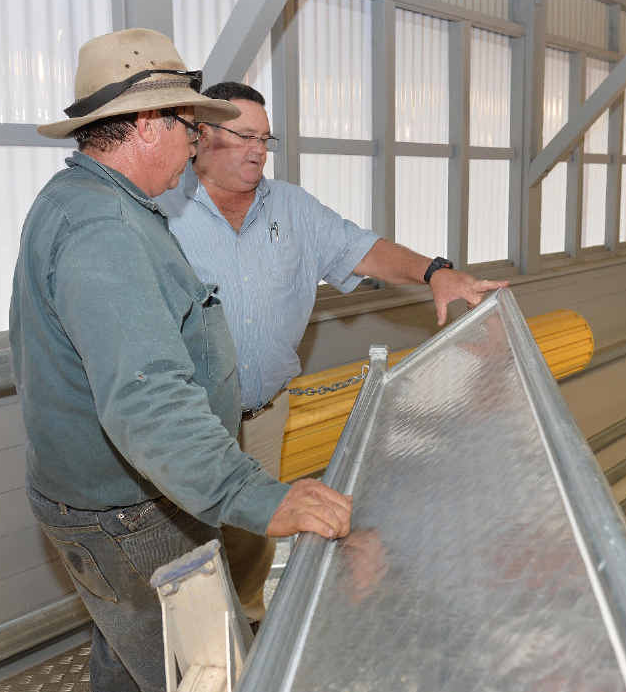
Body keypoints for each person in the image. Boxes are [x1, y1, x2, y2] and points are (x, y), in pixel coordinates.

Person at [11, 29, 353, 692]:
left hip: (110, 500)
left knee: (130, 651)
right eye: (188, 124)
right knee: (202, 668)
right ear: (145, 124)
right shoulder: (105, 230)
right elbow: (148, 398)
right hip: (129, 513)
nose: (198, 141)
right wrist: (255, 496)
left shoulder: (85, 201)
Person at [157, 81, 507, 621]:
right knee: (179, 546)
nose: (258, 150)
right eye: (244, 136)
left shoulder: (292, 208)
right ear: (200, 137)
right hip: (187, 422)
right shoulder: (159, 210)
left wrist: (435, 271)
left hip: (263, 414)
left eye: (266, 139)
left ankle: (248, 624)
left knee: (251, 538)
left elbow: (361, 249)